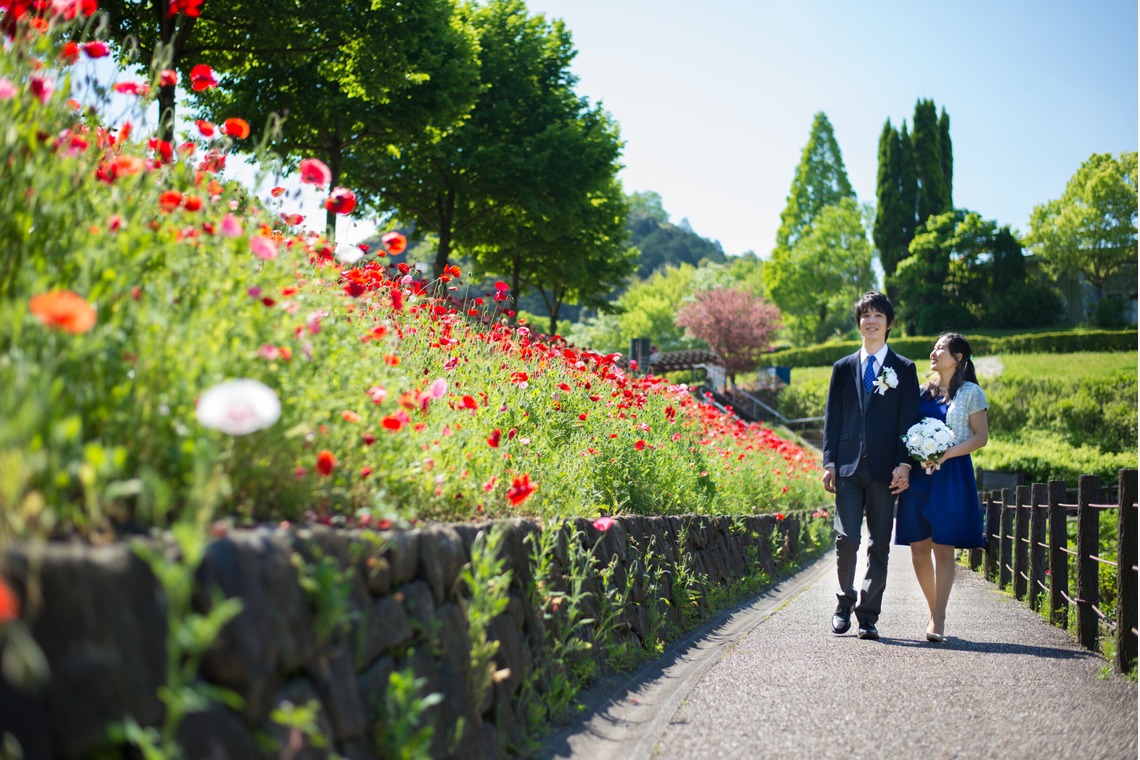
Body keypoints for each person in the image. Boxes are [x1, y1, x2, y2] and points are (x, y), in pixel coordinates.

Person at [822, 291, 920, 640]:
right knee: (846, 539)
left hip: (885, 472)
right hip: (847, 469)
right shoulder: (843, 368)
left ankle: (868, 614)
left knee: (879, 544)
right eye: (865, 315)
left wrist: (905, 464)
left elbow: (909, 420)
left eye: (878, 315)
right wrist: (829, 461)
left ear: (888, 323)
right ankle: (842, 603)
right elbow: (833, 419)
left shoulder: (905, 370)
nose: (871, 321)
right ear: (859, 323)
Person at [894, 333, 989, 643]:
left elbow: (980, 437)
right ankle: (933, 608)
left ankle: (939, 616)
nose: (933, 353)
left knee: (942, 547)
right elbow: (908, 431)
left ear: (958, 357)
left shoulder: (972, 393)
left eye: (941, 349)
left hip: (952, 473)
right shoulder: (922, 393)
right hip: (920, 477)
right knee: (919, 549)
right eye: (933, 348)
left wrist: (945, 453)